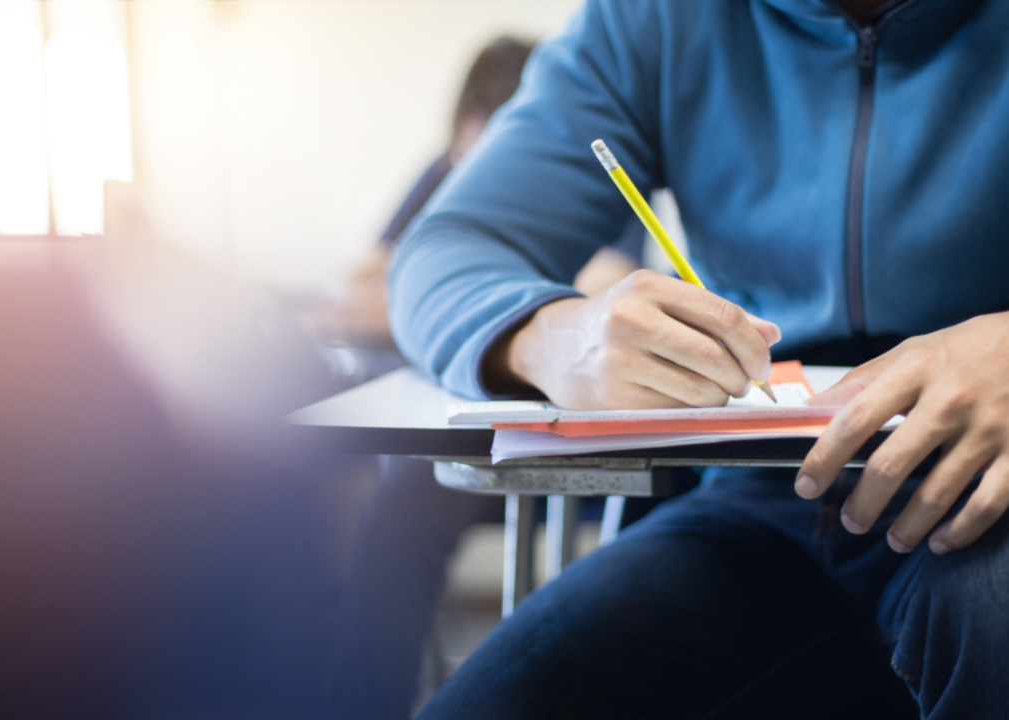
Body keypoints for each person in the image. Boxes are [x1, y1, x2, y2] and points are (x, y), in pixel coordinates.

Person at [389, 1, 1009, 718]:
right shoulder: (655, 17)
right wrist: (553, 337)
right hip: (758, 500)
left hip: (989, 493)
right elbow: (445, 252)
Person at [327, 36, 650, 720]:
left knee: (661, 520)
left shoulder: (587, 167)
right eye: (462, 159)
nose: (472, 176)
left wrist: (470, 309)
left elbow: (612, 292)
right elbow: (362, 288)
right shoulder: (442, 175)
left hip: (587, 441)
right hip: (477, 434)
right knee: (400, 503)